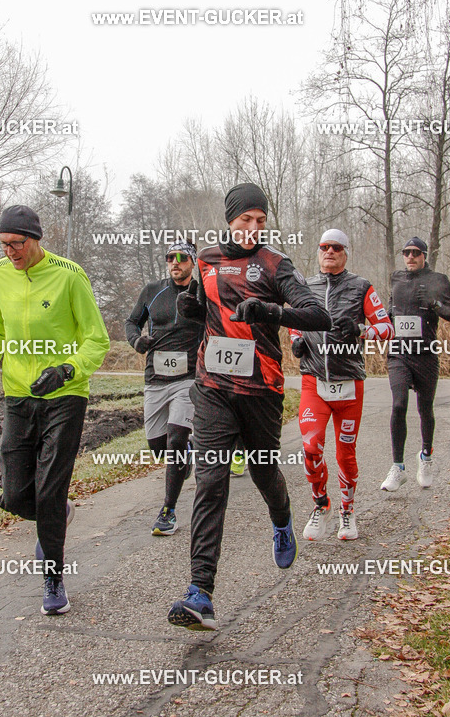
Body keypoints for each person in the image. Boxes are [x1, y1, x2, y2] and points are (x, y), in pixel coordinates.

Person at [167, 183, 332, 631]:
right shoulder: (205, 260)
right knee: (210, 481)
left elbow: (318, 316)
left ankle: (281, 517)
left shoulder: (276, 264)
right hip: (212, 385)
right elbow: (206, 311)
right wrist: (190, 309)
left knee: (262, 470)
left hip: (262, 387)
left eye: (261, 220)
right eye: (246, 220)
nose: (253, 228)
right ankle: (200, 592)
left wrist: (270, 312)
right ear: (230, 220)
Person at [0, 205, 109, 615]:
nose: (10, 251)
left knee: (49, 489)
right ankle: (56, 515)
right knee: (14, 495)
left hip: (65, 396)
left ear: (35, 239)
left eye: (17, 243)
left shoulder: (70, 275)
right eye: (4, 244)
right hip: (18, 395)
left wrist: (66, 370)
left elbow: (96, 339)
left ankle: (53, 578)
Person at [289, 229, 394, 542]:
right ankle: (321, 505)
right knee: (311, 447)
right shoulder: (305, 285)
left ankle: (347, 510)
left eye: (336, 247)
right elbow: (295, 322)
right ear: (319, 251)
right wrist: (296, 340)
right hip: (314, 382)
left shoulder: (361, 287)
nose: (329, 252)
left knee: (345, 454)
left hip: (349, 384)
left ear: (346, 252)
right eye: (324, 246)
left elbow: (387, 328)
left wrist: (361, 330)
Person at [125, 240, 203, 535]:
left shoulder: (201, 292)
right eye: (170, 257)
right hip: (155, 379)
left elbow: (217, 323)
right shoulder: (152, 291)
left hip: (188, 378)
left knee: (175, 441)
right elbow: (132, 322)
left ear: (192, 262)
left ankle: (168, 511)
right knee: (158, 447)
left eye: (182, 257)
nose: (175, 262)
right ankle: (189, 452)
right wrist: (136, 341)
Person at [381, 237, 450, 492]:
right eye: (406, 252)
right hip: (399, 353)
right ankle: (398, 467)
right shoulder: (396, 278)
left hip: (425, 355)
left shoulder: (439, 280)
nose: (410, 257)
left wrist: (434, 304)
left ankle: (425, 456)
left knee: (425, 409)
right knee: (398, 404)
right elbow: (390, 313)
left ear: (424, 255)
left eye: (416, 252)